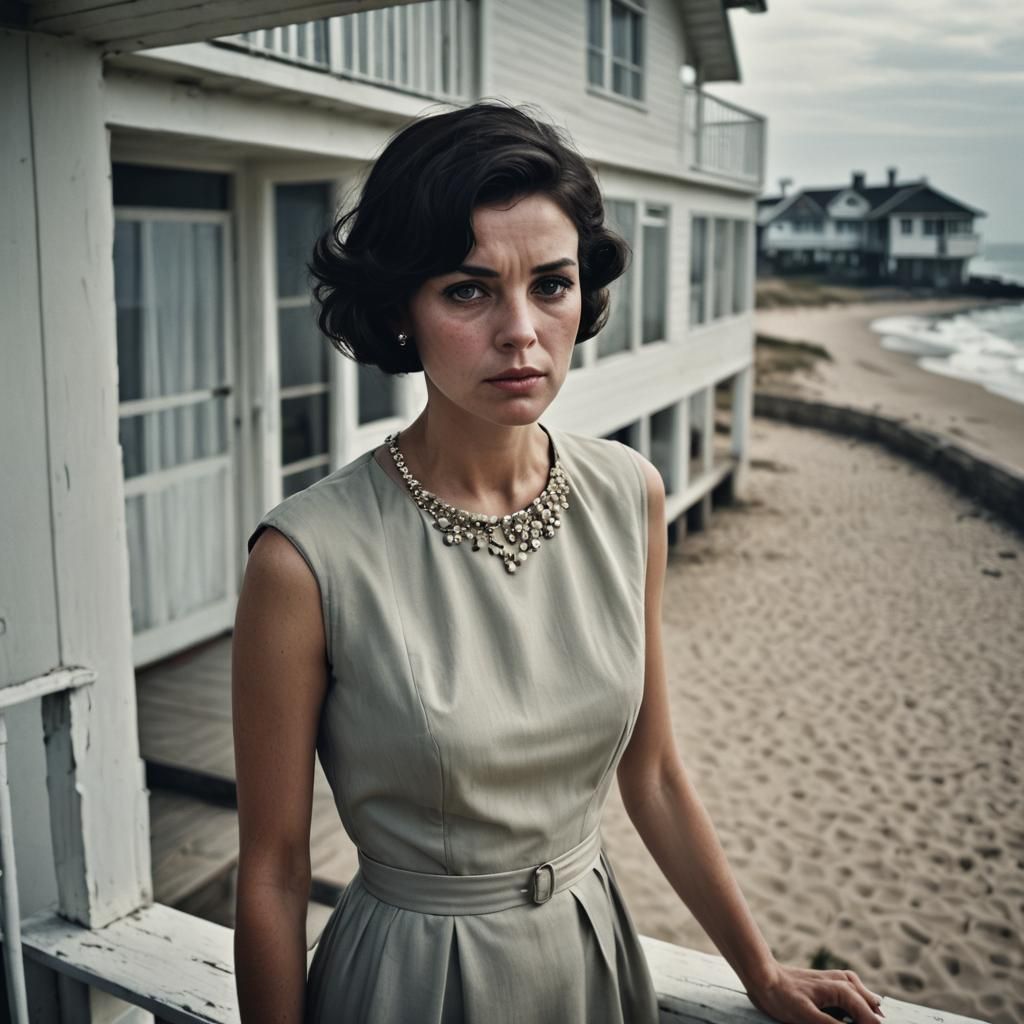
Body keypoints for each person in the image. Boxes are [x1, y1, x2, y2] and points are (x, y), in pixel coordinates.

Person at [232, 102, 884, 1024]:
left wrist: (761, 971)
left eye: (551, 285)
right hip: (411, 983)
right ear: (400, 310)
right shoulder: (305, 559)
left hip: (592, 960)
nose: (522, 332)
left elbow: (651, 773)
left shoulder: (631, 495)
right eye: (468, 289)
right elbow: (271, 870)